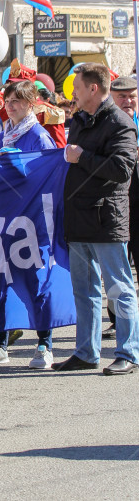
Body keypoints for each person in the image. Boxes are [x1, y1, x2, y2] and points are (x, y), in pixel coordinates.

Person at [54, 63, 139, 375]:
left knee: (118, 288)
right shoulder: (80, 120)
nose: (73, 93)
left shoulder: (120, 123)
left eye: (77, 87)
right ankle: (87, 352)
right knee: (85, 290)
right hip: (79, 217)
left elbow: (121, 170)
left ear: (93, 89)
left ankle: (128, 353)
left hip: (106, 218)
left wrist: (82, 157)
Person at [0, 80, 57, 369]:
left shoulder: (39, 135)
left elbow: (46, 176)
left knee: (35, 284)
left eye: (17, 102)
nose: (10, 106)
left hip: (31, 222)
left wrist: (19, 164)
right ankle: (0, 343)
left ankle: (44, 345)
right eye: (8, 101)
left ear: (30, 103)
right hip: (2, 219)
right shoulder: (1, 137)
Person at [104, 76, 139, 339]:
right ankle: (117, 319)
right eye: (122, 96)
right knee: (117, 269)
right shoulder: (110, 124)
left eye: (132, 96)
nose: (128, 101)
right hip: (116, 204)